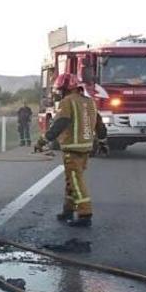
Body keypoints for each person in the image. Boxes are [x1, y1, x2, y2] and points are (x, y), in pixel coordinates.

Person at [35, 73, 106, 227]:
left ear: (66, 88)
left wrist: (43, 140)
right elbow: (99, 124)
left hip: (73, 148)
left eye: (60, 90)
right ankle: (68, 210)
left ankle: (85, 214)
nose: (59, 93)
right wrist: (102, 141)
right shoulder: (89, 102)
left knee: (76, 181)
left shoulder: (67, 102)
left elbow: (60, 123)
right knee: (71, 180)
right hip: (86, 148)